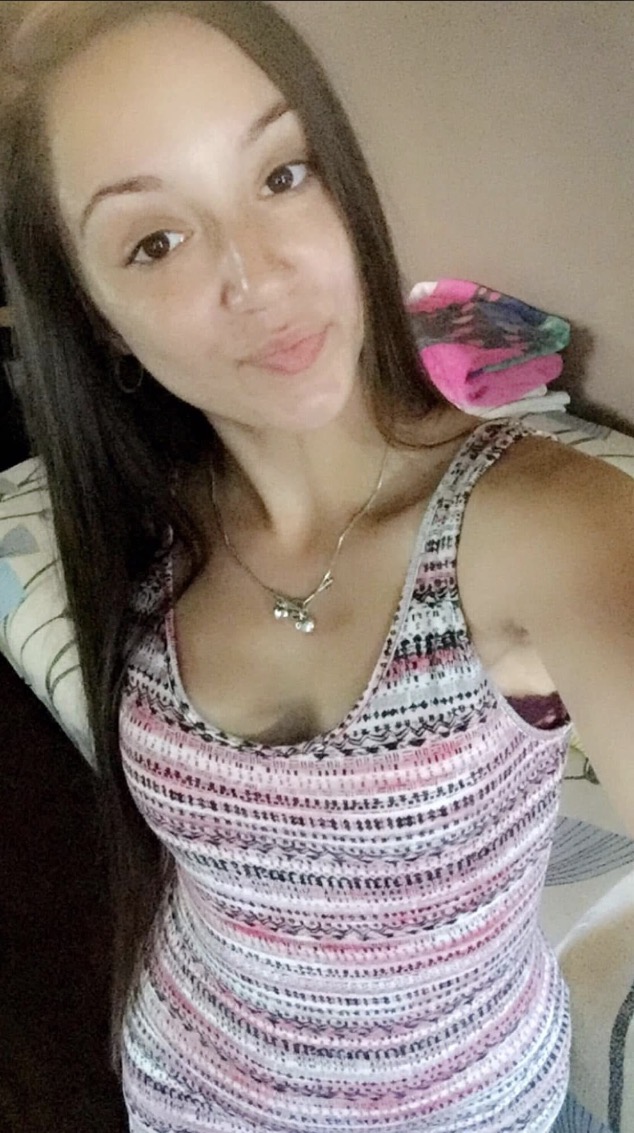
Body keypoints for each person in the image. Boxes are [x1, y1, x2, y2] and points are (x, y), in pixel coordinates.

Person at [0, 2, 632, 1130]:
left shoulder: (550, 520)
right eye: (155, 241)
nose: (259, 274)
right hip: (183, 1082)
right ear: (98, 321)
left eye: (283, 175)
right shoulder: (142, 527)